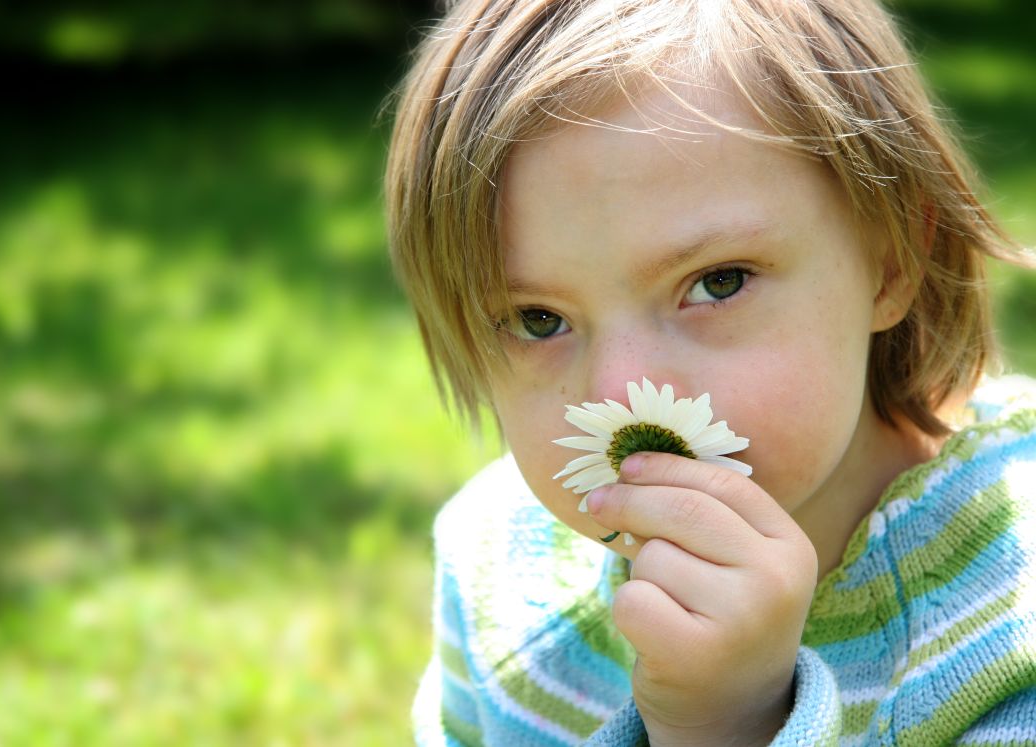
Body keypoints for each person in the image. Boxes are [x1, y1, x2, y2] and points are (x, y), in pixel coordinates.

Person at [384, 0, 1036, 744]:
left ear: (889, 260)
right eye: (537, 319)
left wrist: (731, 723)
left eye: (718, 283)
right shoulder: (496, 577)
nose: (622, 398)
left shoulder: (1010, 626)